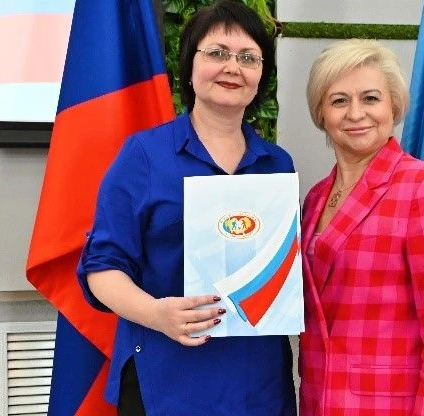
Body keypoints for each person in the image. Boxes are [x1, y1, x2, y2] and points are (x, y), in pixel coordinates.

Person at [76, 1, 297, 415]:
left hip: (258, 381)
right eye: (217, 53)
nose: (232, 67)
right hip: (167, 375)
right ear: (189, 66)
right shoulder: (144, 155)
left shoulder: (277, 164)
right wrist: (157, 313)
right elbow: (102, 268)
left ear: (261, 75)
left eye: (248, 57)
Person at [299, 39, 424, 416]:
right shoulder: (315, 198)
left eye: (371, 98)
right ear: (321, 113)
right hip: (318, 402)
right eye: (339, 100)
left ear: (393, 106)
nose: (355, 113)